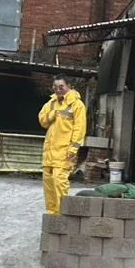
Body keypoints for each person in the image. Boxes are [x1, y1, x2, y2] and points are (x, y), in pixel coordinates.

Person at [39, 75, 86, 215]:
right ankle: (52, 212)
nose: (58, 90)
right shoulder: (51, 103)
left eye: (61, 87)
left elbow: (80, 128)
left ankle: (62, 212)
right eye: (55, 87)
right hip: (49, 150)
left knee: (59, 181)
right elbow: (42, 121)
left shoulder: (77, 105)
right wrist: (53, 114)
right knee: (48, 182)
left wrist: (73, 149)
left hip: (64, 151)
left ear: (69, 86)